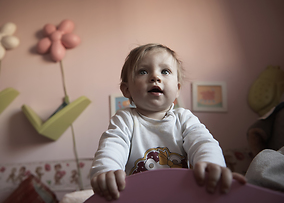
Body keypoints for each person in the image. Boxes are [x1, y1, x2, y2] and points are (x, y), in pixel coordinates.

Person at [90, 43, 246, 201]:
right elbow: (113, 144)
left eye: (165, 71)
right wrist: (107, 170)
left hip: (180, 194)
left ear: (177, 89)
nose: (155, 77)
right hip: (137, 196)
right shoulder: (125, 119)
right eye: (143, 71)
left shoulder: (184, 118)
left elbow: (202, 142)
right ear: (127, 89)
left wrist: (211, 163)